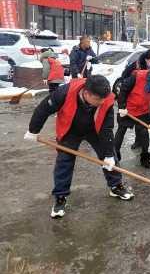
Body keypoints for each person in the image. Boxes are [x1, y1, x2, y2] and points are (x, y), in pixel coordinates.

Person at [24, 75, 133, 219]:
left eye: (103, 99)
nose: (102, 102)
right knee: (65, 161)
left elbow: (107, 128)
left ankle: (115, 185)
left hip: (95, 129)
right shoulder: (64, 92)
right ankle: (60, 196)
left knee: (110, 155)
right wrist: (33, 130)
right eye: (98, 99)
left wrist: (108, 154)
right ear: (86, 93)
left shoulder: (106, 99)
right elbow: (43, 109)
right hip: (70, 129)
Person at [115, 66, 150, 169]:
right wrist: (122, 107)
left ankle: (145, 158)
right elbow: (123, 90)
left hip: (143, 110)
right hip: (128, 109)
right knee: (121, 130)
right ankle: (114, 156)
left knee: (144, 133)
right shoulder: (137, 76)